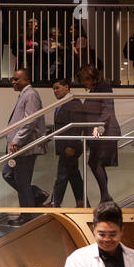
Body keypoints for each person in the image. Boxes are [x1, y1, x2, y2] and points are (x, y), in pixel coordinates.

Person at [2, 68, 49, 226]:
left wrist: (17, 140)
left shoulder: (31, 94)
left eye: (17, 79)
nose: (13, 82)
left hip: (25, 147)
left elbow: (30, 120)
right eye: (13, 79)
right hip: (19, 147)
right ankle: (35, 194)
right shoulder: (25, 94)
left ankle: (28, 215)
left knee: (21, 180)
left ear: (26, 80)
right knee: (9, 174)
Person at [77, 64, 121, 203]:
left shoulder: (104, 87)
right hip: (99, 133)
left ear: (91, 77)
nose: (84, 83)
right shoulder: (95, 90)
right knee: (96, 163)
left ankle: (106, 196)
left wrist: (97, 127)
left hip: (105, 132)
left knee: (95, 163)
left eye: (85, 80)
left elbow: (107, 109)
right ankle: (105, 196)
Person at [44, 79, 87, 208]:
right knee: (73, 174)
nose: (55, 91)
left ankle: (55, 202)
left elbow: (76, 126)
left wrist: (71, 146)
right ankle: (82, 201)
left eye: (57, 88)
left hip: (70, 146)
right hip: (65, 146)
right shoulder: (62, 104)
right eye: (54, 89)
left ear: (67, 87)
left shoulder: (73, 102)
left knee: (62, 174)